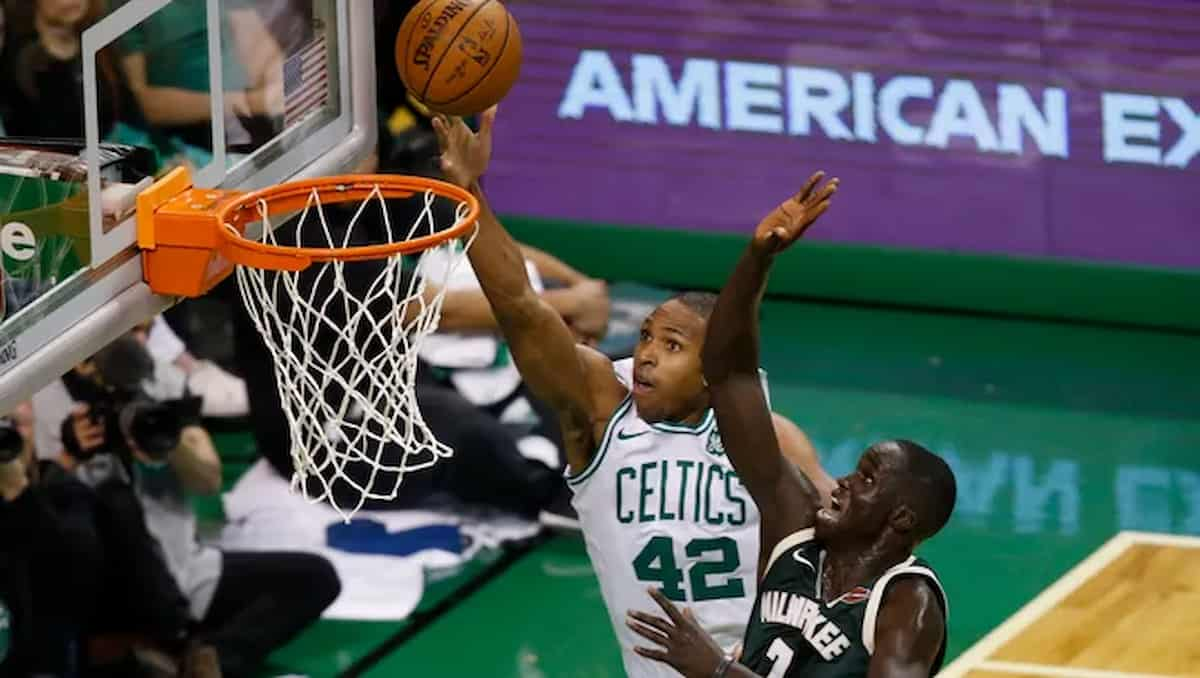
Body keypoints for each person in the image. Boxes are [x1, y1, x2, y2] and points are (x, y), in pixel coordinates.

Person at [431, 108, 835, 676]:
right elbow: (521, 309)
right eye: (646, 335)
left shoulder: (773, 439)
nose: (645, 353)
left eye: (672, 345)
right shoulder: (601, 413)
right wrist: (469, 192)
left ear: (712, 367)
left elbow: (839, 549)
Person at [624, 174, 957, 678]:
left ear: (901, 519)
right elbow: (731, 374)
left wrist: (718, 673)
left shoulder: (906, 602)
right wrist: (758, 260)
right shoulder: (794, 526)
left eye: (867, 479)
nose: (842, 482)